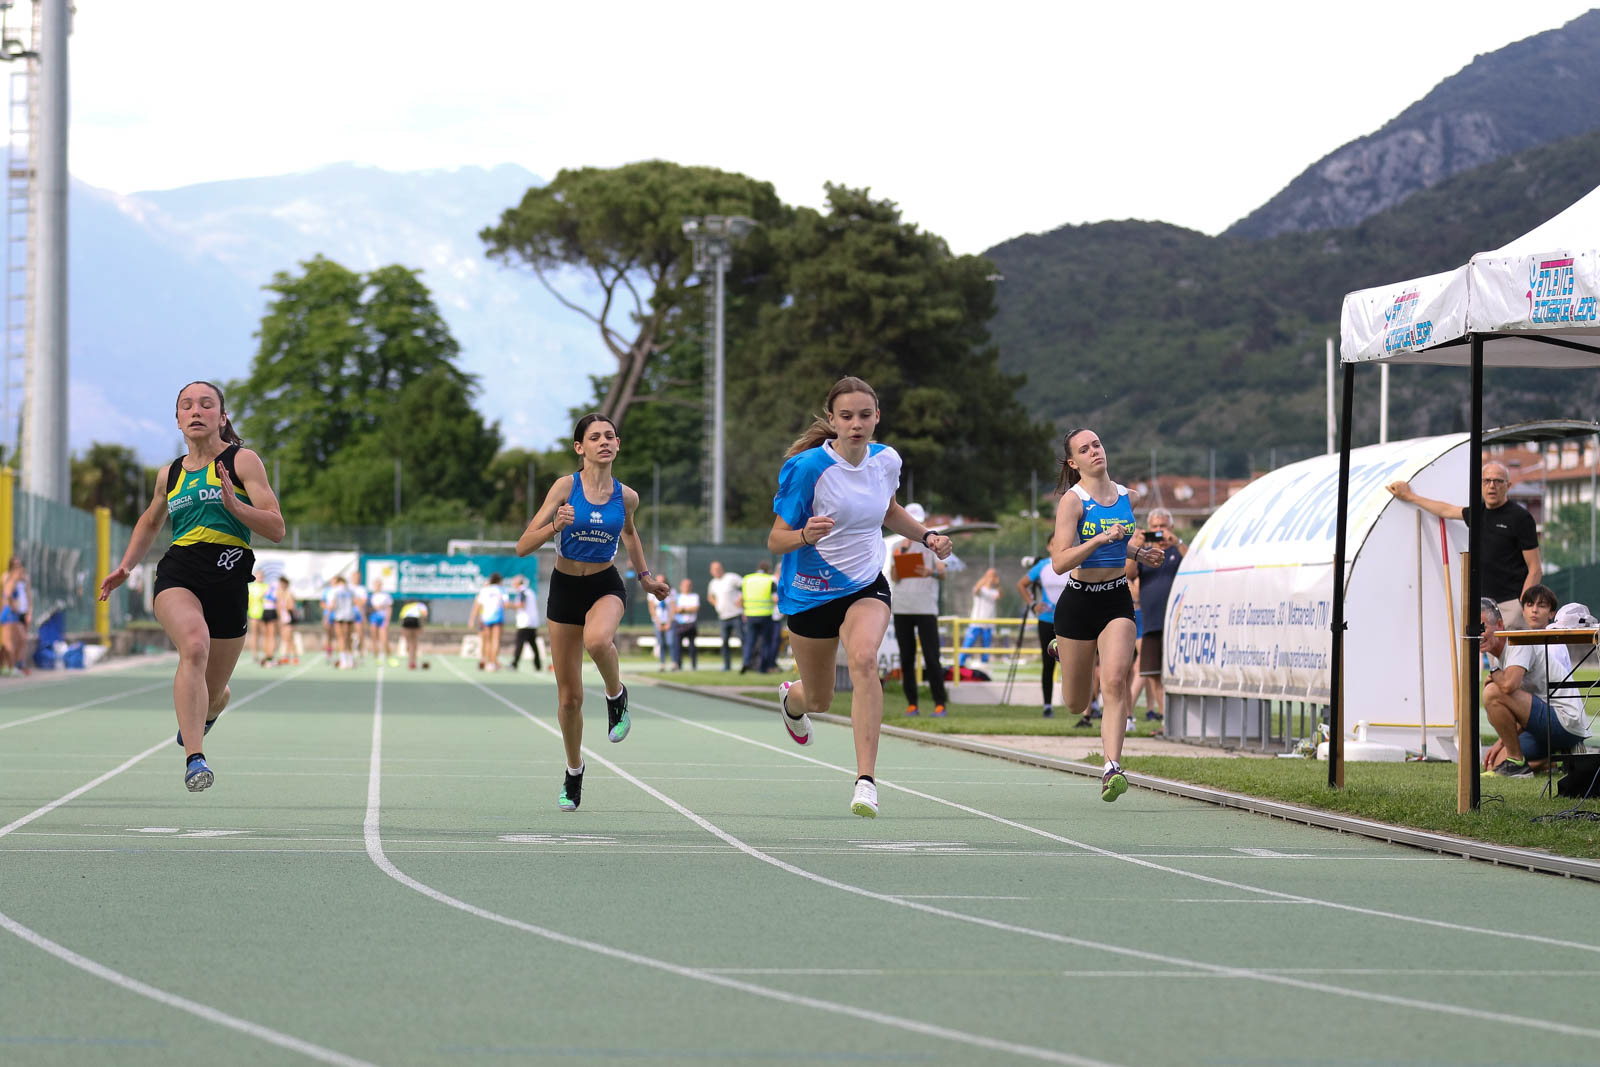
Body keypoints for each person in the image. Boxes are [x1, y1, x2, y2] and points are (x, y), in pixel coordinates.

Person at [769, 377, 953, 818]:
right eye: (847, 416)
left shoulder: (886, 460)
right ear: (832, 420)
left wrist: (927, 536)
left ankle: (866, 781)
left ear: (877, 418)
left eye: (865, 415)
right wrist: (804, 535)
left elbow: (889, 510)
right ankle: (792, 700)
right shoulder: (806, 469)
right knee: (819, 700)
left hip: (865, 583)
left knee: (865, 658)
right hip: (811, 592)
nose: (856, 424)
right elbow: (775, 540)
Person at [98, 380, 285, 792]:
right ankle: (195, 758)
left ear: (222, 417)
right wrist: (126, 567)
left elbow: (276, 527)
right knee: (194, 646)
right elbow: (151, 520)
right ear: (178, 419)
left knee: (213, 693)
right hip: (180, 572)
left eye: (205, 404)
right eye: (187, 405)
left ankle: (211, 709)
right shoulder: (170, 473)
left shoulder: (243, 461)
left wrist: (235, 506)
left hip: (230, 576)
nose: (196, 411)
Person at [516, 412, 670, 811]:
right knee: (569, 699)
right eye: (595, 437)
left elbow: (630, 533)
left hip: (605, 584)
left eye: (610, 436)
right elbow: (522, 546)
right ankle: (574, 770)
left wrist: (646, 578)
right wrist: (555, 526)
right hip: (565, 589)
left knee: (598, 640)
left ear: (618, 445)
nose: (604, 442)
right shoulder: (565, 487)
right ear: (579, 447)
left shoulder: (627, 497)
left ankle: (616, 695)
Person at [1047, 427, 1166, 803]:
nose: (1094, 451)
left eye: (1096, 444)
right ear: (1073, 462)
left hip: (1116, 599)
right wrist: (1099, 538)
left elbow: (1121, 541)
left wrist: (1140, 554)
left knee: (1115, 681)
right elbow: (1059, 562)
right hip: (1079, 602)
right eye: (1084, 449)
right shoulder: (1073, 502)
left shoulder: (1128, 496)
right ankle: (1062, 650)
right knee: (1076, 703)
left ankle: (1112, 766)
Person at [1386, 461, 1541, 629]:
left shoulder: (1520, 518)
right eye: (1486, 481)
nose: (1492, 486)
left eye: (1498, 481)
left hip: (1510, 605)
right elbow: (1446, 510)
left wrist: (1523, 605)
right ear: (1480, 485)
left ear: (1508, 485)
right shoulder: (1477, 513)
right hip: (1483, 606)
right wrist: (1409, 496)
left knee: (1512, 647)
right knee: (1483, 647)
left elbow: (1535, 568)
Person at [1480, 592, 1589, 776]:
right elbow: (1521, 706)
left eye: (1483, 627)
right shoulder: (1501, 656)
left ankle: (1518, 763)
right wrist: (1500, 744)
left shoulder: (1519, 642)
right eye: (1529, 605)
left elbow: (1508, 686)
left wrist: (1494, 672)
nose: (1479, 634)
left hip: (1565, 722)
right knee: (1495, 763)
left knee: (1492, 692)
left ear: (1499, 625)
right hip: (1541, 720)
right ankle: (1552, 760)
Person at [888, 502, 949, 717]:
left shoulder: (932, 544)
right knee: (907, 658)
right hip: (902, 607)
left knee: (932, 657)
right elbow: (894, 576)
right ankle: (912, 704)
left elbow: (943, 573)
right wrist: (903, 554)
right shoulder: (898, 546)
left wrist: (929, 572)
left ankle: (939, 703)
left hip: (926, 608)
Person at [1127, 507, 1186, 727]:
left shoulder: (1177, 550)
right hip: (1151, 622)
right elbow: (1128, 573)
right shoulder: (1146, 554)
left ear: (1171, 527)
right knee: (1153, 674)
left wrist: (1177, 541)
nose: (1159, 531)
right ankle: (1165, 721)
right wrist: (1137, 547)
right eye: (1155, 527)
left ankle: (1179, 722)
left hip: (1177, 624)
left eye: (1163, 526)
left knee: (1176, 674)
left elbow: (1194, 561)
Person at [1018, 553, 1068, 717]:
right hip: (1047, 620)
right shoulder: (1043, 565)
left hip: (1069, 620)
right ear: (1049, 547)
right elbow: (1022, 584)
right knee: (1048, 663)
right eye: (1054, 543)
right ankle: (1047, 705)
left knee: (1073, 664)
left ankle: (1083, 705)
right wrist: (1033, 605)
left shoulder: (1073, 561)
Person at [706, 560, 744, 671]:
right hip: (723, 617)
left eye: (718, 568)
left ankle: (746, 663)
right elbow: (710, 597)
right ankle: (727, 666)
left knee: (743, 639)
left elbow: (745, 586)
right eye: (714, 569)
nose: (717, 571)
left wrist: (741, 599)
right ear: (711, 571)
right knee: (725, 642)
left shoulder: (731, 577)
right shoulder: (713, 583)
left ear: (722, 568)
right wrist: (717, 605)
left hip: (736, 615)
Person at [740, 561, 778, 673]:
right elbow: (775, 598)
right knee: (766, 642)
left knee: (750, 640)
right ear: (768, 570)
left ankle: (746, 661)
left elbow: (740, 599)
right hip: (765, 615)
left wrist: (744, 611)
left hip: (750, 614)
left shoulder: (747, 579)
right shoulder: (769, 580)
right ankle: (763, 668)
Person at [960, 567, 1001, 668]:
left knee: (986, 648)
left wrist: (997, 584)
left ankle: (984, 665)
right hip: (976, 622)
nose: (992, 578)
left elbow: (1000, 595)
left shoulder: (994, 592)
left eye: (993, 576)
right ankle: (960, 664)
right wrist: (986, 578)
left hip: (988, 624)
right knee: (968, 645)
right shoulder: (981, 590)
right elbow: (976, 589)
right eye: (990, 576)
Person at [470, 572, 507, 671]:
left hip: (486, 618)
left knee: (487, 641)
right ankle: (492, 662)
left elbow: (477, 605)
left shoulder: (484, 590)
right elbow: (505, 604)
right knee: (495, 640)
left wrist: (472, 619)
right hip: (497, 617)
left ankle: (486, 661)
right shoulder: (501, 589)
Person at [1, 556, 31, 676]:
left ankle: (11, 665)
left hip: (14, 614)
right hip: (9, 614)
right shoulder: (11, 580)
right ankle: (10, 666)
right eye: (20, 572)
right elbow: (7, 595)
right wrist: (13, 605)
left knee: (20, 639)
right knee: (8, 643)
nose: (22, 574)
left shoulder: (18, 581)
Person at [507, 574, 543, 672]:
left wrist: (509, 605)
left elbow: (522, 605)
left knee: (519, 644)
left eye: (514, 583)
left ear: (518, 583)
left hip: (525, 623)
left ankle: (514, 664)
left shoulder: (522, 592)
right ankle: (538, 665)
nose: (513, 585)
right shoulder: (530, 592)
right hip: (532, 622)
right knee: (533, 644)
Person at [671, 577, 701, 671]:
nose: (686, 587)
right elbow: (674, 609)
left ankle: (694, 665)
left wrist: (683, 609)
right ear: (681, 587)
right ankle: (678, 664)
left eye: (688, 586)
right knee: (677, 646)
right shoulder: (677, 597)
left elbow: (695, 608)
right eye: (684, 586)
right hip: (679, 624)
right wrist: (687, 609)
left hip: (691, 624)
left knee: (692, 647)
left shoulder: (694, 596)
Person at [329, 575, 358, 668]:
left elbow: (332, 605)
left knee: (341, 639)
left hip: (340, 617)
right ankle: (350, 661)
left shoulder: (334, 591)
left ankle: (343, 661)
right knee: (348, 639)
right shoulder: (350, 590)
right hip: (349, 616)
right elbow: (355, 602)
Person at [368, 578, 395, 666]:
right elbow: (368, 608)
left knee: (384, 639)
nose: (377, 586)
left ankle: (389, 657)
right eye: (375, 585)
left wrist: (387, 621)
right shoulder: (371, 596)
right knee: (374, 639)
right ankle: (377, 658)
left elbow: (389, 608)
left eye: (378, 585)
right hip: (373, 618)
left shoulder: (386, 595)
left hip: (382, 618)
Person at [257, 570, 281, 667]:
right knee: (270, 635)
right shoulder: (275, 588)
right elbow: (277, 601)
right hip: (270, 611)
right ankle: (270, 655)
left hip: (265, 611)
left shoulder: (266, 587)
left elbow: (261, 598)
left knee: (266, 635)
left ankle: (267, 654)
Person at [650, 582, 675, 671]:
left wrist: (669, 622)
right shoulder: (651, 592)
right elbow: (651, 608)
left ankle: (674, 663)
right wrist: (658, 622)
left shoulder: (671, 592)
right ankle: (662, 663)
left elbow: (673, 607)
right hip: (658, 622)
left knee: (671, 642)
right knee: (661, 643)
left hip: (668, 621)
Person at [273, 575, 298, 664]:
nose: (282, 585)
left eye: (284, 583)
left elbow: (291, 606)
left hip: (288, 618)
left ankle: (290, 656)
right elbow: (277, 606)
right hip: (282, 618)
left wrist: (286, 606)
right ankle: (290, 656)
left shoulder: (289, 594)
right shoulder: (279, 593)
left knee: (288, 637)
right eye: (281, 583)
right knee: (285, 637)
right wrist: (279, 617)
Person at [399, 600, 429, 669]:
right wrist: (421, 626)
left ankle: (411, 661)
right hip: (415, 621)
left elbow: (401, 618)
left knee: (409, 643)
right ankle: (413, 662)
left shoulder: (406, 606)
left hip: (406, 621)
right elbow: (424, 615)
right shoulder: (421, 605)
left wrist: (402, 629)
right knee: (414, 643)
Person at [246, 570, 267, 666]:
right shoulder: (251, 587)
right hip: (254, 613)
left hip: (264, 614)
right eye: (258, 576)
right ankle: (255, 654)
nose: (260, 577)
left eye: (261, 576)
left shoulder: (266, 587)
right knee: (254, 635)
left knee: (265, 634)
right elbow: (248, 601)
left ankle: (265, 653)